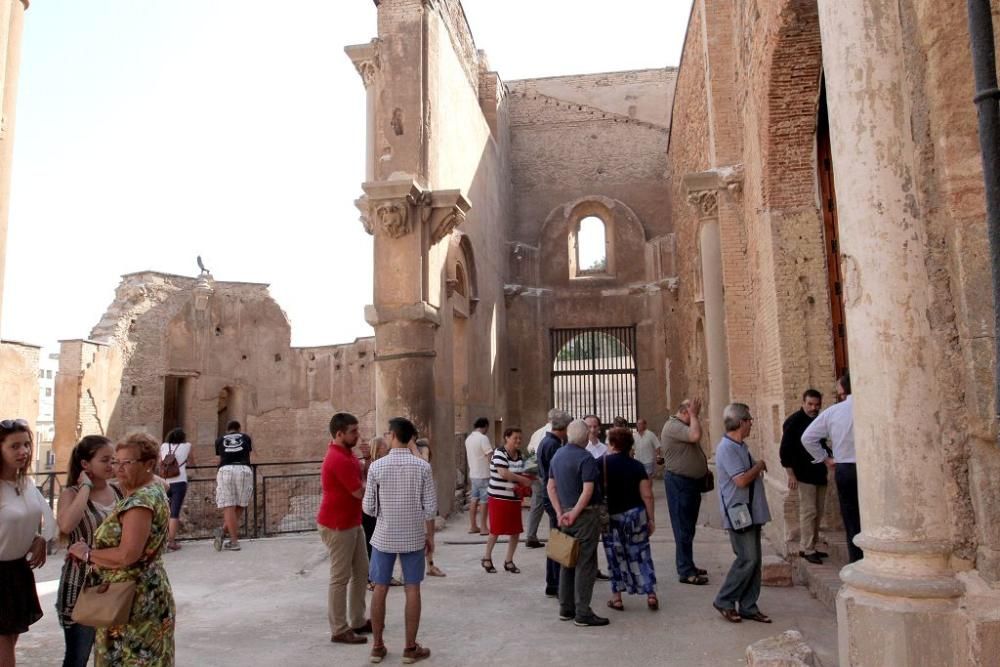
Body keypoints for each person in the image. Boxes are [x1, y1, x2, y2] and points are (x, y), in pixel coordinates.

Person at [68, 432, 176, 665]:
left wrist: (86, 553)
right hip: (146, 590)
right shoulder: (152, 490)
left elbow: (127, 554)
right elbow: (163, 483)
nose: (119, 468)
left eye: (127, 462)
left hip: (130, 599)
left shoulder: (140, 502)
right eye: (117, 461)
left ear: (149, 465)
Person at [363, 417, 437, 664]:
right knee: (412, 588)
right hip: (414, 536)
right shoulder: (423, 467)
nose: (385, 437)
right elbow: (430, 509)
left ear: (393, 435)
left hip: (383, 536)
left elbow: (369, 508)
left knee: (379, 588)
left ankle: (377, 646)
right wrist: (430, 537)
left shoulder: (376, 467)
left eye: (387, 433)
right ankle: (409, 648)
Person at [56, 435, 123, 667]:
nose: (111, 465)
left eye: (114, 460)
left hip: (116, 584)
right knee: (78, 656)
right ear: (85, 464)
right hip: (81, 585)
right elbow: (66, 526)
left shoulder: (119, 492)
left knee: (114, 656)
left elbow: (162, 485)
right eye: (105, 460)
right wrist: (85, 486)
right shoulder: (72, 494)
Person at [0, 419, 55, 666]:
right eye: (15, 446)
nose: (24, 451)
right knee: (3, 644)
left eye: (26, 444)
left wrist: (38, 537)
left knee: (9, 639)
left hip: (16, 571)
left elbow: (31, 516)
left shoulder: (26, 483)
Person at [713, 403, 772, 624]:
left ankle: (748, 605)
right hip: (739, 512)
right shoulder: (727, 448)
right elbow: (741, 480)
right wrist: (760, 466)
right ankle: (725, 599)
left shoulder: (740, 446)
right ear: (740, 422)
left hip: (750, 510)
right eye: (749, 420)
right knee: (747, 558)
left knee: (755, 561)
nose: (751, 424)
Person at [547, 419, 609, 627]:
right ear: (585, 437)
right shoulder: (586, 457)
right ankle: (582, 611)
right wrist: (575, 512)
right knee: (585, 563)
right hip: (584, 516)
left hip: (564, 514)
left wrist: (559, 512)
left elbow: (551, 487)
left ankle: (566, 607)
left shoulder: (558, 455)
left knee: (567, 560)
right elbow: (588, 490)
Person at [317, 413, 372, 646]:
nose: (357, 435)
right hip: (338, 524)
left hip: (352, 521)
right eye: (353, 431)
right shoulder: (337, 459)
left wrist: (368, 460)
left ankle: (358, 620)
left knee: (361, 572)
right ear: (339, 434)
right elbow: (359, 491)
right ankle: (339, 628)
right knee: (340, 577)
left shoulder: (348, 454)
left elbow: (362, 478)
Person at [801, 373, 862, 562]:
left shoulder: (835, 411)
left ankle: (857, 560)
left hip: (845, 467)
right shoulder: (872, 406)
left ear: (843, 390)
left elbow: (807, 438)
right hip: (869, 468)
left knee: (852, 518)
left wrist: (825, 459)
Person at [601, 427, 658, 612]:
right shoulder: (637, 466)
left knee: (614, 555)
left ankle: (617, 598)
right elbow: (647, 495)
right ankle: (650, 594)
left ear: (612, 444)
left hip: (612, 516)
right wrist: (651, 519)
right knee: (641, 554)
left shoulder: (601, 464)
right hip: (635, 515)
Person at [661, 398, 710, 585]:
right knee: (682, 528)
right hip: (680, 484)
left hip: (689, 484)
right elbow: (696, 436)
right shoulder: (673, 426)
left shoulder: (682, 426)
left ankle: (688, 563)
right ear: (685, 412)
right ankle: (685, 571)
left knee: (688, 528)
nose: (698, 415)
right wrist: (695, 415)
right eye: (695, 411)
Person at [779, 389, 829, 564]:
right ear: (803, 403)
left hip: (819, 473)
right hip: (803, 473)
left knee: (818, 511)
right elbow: (784, 451)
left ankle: (810, 546)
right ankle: (807, 549)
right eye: (810, 404)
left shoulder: (819, 420)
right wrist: (790, 474)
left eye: (817, 405)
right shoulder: (793, 422)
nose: (813, 408)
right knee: (809, 511)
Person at [482, 428, 533, 574]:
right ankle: (486, 558)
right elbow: (503, 473)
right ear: (506, 438)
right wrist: (522, 479)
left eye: (519, 438)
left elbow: (526, 471)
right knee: (495, 530)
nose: (518, 440)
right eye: (515, 438)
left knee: (515, 531)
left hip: (514, 499)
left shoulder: (520, 455)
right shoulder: (499, 453)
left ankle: (509, 561)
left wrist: (529, 477)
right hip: (498, 499)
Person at [536, 410, 572, 597]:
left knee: (556, 538)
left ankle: (553, 582)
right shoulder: (553, 445)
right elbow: (556, 475)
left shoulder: (547, 442)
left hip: (549, 495)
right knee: (559, 540)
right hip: (553, 497)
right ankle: (557, 582)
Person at [213, 420, 253, 552]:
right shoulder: (245, 437)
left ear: (227, 430)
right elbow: (247, 453)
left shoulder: (219, 439)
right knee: (241, 503)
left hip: (226, 469)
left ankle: (233, 541)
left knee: (228, 505)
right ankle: (224, 532)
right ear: (239, 429)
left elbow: (220, 457)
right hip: (244, 469)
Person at [524, 410, 558, 549]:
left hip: (535, 470)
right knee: (553, 503)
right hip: (546, 471)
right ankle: (555, 537)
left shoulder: (537, 432)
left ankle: (531, 535)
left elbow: (529, 449)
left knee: (537, 503)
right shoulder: (553, 432)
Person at [413, 438, 445, 577]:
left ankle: (430, 565)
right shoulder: (407, 452)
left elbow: (424, 462)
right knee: (420, 537)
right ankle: (423, 567)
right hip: (416, 501)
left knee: (428, 536)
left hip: (424, 500)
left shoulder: (419, 449)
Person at [159, 427, 194, 552]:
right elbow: (191, 462)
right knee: (174, 512)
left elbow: (160, 461)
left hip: (165, 482)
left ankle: (160, 541)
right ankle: (171, 541)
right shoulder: (187, 446)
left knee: (163, 511)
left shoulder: (164, 446)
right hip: (179, 482)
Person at [464, 418, 492, 536]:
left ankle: (473, 526)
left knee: (474, 499)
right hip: (484, 473)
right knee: (484, 501)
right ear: (485, 426)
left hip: (474, 474)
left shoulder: (469, 438)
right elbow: (489, 455)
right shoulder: (483, 438)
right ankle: (484, 527)